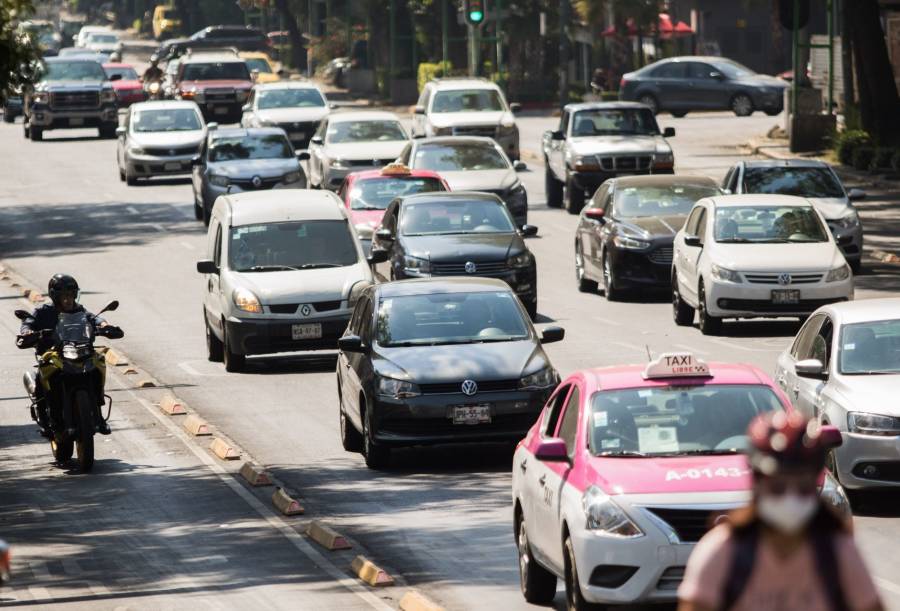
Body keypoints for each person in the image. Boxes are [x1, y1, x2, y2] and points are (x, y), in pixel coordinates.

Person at [678, 411, 883, 611]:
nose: (790, 499)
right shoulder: (722, 554)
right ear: (757, 484)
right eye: (777, 488)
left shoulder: (839, 554)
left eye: (803, 489)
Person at [16, 274, 120, 436]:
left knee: (99, 360)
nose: (68, 300)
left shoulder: (80, 310)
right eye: (64, 296)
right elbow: (28, 322)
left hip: (81, 349)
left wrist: (104, 325)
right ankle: (44, 416)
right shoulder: (43, 312)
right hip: (53, 352)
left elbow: (94, 318)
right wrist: (28, 332)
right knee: (43, 370)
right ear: (55, 297)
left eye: (71, 295)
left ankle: (98, 411)